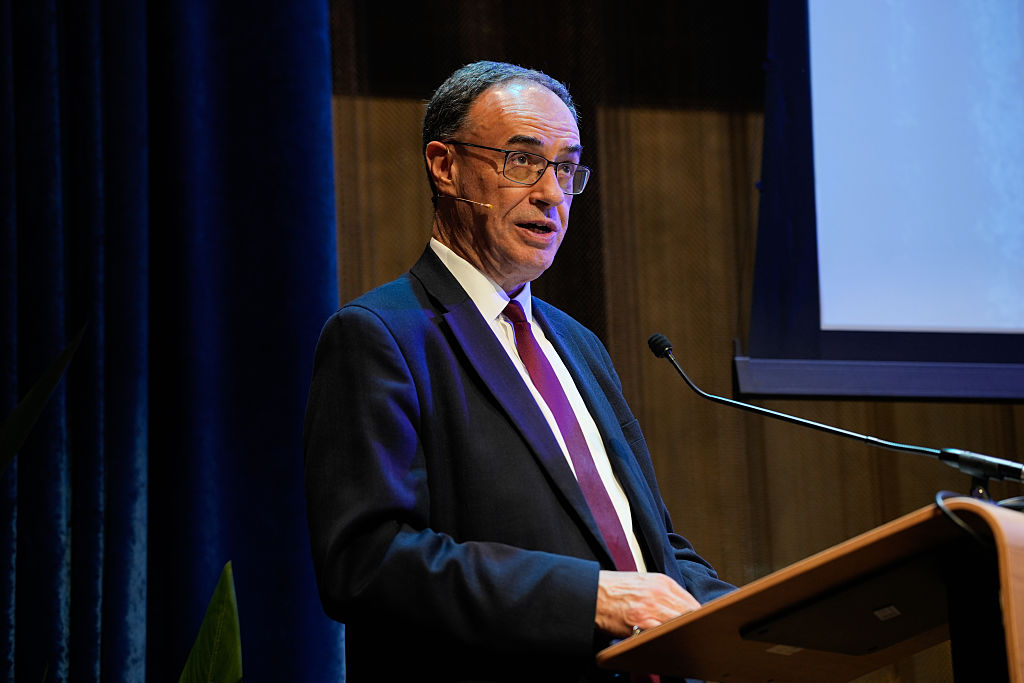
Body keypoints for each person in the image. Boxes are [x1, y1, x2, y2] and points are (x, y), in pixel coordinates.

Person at [304, 60, 733, 682]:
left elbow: (651, 550)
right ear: (444, 166)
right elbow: (367, 561)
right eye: (522, 160)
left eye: (566, 167)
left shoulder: (578, 345)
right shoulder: (381, 336)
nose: (552, 194)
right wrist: (592, 598)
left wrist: (755, 622)